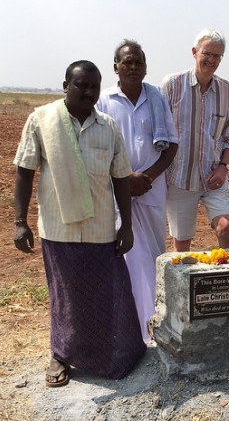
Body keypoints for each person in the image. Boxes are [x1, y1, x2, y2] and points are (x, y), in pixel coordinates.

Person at [13, 60, 146, 387]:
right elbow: (24, 171)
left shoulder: (109, 126)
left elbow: (121, 180)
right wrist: (20, 221)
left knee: (107, 294)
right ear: (65, 86)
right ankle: (60, 355)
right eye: (80, 85)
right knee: (65, 296)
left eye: (93, 87)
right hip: (60, 229)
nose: (88, 92)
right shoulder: (42, 120)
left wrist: (126, 226)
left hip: (101, 229)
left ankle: (110, 354)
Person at [96, 40, 178, 343]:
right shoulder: (104, 102)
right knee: (129, 257)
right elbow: (96, 147)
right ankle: (133, 324)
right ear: (115, 67)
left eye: (138, 62)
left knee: (154, 256)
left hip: (152, 191)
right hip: (116, 191)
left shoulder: (156, 98)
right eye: (126, 62)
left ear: (145, 67)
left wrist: (149, 177)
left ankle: (156, 321)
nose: (132, 67)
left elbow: (171, 143)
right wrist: (125, 178)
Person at [161, 28, 229, 252]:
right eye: (207, 54)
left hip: (214, 176)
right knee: (182, 244)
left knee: (225, 228)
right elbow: (160, 132)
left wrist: (224, 168)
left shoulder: (226, 90)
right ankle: (184, 286)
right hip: (180, 178)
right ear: (195, 52)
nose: (212, 60)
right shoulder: (172, 85)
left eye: (217, 56)